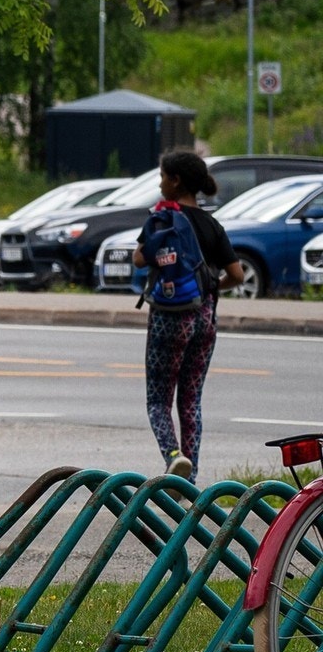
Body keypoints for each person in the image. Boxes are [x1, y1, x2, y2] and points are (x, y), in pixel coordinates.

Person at [132, 149, 239, 481]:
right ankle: (190, 482)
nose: (160, 182)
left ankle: (174, 456)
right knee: (191, 401)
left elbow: (138, 259)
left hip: (168, 317)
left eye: (163, 176)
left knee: (158, 401)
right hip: (204, 318)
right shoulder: (212, 224)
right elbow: (238, 275)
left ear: (175, 181)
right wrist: (211, 288)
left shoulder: (163, 218)